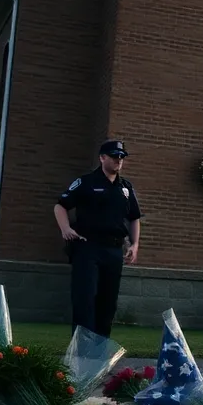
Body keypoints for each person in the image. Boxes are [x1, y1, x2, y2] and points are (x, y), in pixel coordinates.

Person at [54, 139, 143, 337]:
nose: (118, 161)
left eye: (121, 157)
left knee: (108, 301)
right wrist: (65, 228)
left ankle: (101, 351)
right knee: (84, 298)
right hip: (88, 247)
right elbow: (60, 206)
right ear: (102, 158)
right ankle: (80, 350)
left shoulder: (125, 188)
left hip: (113, 250)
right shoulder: (86, 182)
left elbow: (134, 218)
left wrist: (135, 244)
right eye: (113, 157)